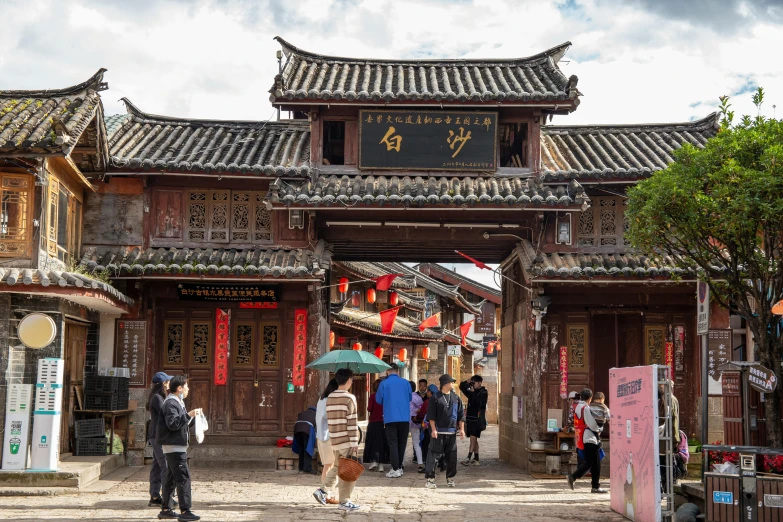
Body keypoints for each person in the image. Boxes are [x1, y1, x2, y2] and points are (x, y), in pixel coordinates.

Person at [156, 375, 201, 521]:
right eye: (186, 387)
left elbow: (182, 423)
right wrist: (189, 415)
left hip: (175, 446)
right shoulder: (171, 403)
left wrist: (195, 418)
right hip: (174, 447)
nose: (188, 389)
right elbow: (173, 424)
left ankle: (166, 508)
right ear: (179, 388)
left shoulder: (178, 402)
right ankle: (185, 511)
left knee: (171, 479)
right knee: (183, 478)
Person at [321, 368, 361, 512]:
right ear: (349, 380)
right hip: (346, 439)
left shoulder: (330, 397)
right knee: (349, 472)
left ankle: (323, 490)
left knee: (338, 467)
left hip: (335, 439)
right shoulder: (349, 398)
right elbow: (352, 421)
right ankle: (344, 500)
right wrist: (355, 442)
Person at [424, 374, 465, 489]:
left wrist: (461, 429)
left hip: (451, 433)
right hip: (438, 432)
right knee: (434, 456)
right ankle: (430, 479)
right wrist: (433, 429)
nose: (453, 384)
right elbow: (431, 416)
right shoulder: (435, 398)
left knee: (452, 457)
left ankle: (450, 478)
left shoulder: (456, 398)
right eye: (451, 382)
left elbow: (461, 415)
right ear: (445, 384)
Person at [147, 372, 177, 509]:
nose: (170, 383)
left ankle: (154, 496)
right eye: (168, 381)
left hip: (157, 435)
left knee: (157, 465)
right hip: (158, 436)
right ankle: (167, 497)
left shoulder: (159, 397)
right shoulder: (158, 398)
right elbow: (166, 415)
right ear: (164, 383)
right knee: (165, 465)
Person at [567, 388, 606, 494]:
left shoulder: (577, 407)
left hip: (582, 437)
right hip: (590, 437)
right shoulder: (585, 408)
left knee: (590, 462)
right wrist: (599, 429)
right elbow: (592, 424)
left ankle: (575, 477)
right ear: (590, 398)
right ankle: (594, 486)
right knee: (595, 462)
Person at [376, 366, 412, 478]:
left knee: (393, 443)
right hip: (404, 418)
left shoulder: (384, 383)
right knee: (402, 443)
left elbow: (378, 400)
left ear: (387, 372)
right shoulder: (406, 383)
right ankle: (399, 467)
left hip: (390, 417)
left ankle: (395, 468)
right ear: (398, 372)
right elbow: (410, 398)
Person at [313, 379, 339, 506]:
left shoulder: (321, 399)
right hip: (328, 437)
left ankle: (326, 493)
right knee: (331, 467)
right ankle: (325, 493)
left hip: (321, 436)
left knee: (327, 466)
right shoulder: (329, 401)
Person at [460, 375, 488, 467]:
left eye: (474, 383)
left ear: (479, 383)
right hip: (470, 418)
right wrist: (467, 382)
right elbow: (461, 386)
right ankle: (476, 458)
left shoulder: (483, 392)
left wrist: (473, 393)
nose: (473, 385)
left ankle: (468, 458)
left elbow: (480, 403)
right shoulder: (472, 391)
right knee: (474, 439)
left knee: (473, 438)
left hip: (477, 419)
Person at [363, 379, 388, 473]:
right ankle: (381, 464)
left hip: (373, 422)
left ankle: (374, 461)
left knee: (373, 442)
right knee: (382, 442)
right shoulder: (386, 397)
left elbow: (369, 409)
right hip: (384, 422)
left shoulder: (373, 396)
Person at [418, 384, 438, 473]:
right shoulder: (439, 401)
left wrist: (415, 418)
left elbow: (422, 413)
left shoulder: (428, 402)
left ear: (430, 392)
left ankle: (428, 466)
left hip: (428, 427)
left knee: (426, 447)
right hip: (438, 427)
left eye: (428, 391)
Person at [292, 406, 317, 473]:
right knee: (307, 449)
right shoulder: (315, 414)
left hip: (297, 430)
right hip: (306, 430)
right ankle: (307, 468)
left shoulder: (303, 413)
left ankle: (301, 468)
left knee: (301, 449)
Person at [409, 380, 425, 472]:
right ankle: (420, 463)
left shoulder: (404, 397)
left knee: (402, 443)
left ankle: (401, 464)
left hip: (404, 422)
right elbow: (422, 408)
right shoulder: (418, 397)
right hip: (415, 423)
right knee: (417, 443)